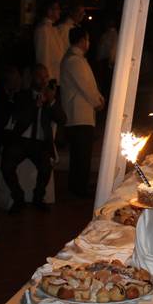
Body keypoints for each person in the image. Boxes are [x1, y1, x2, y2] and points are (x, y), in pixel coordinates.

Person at [0, 63, 66, 211]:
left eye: (46, 77)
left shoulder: (52, 97)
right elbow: (20, 120)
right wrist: (35, 106)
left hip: (40, 143)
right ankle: (18, 197)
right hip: (22, 140)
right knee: (6, 165)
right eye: (40, 77)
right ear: (32, 78)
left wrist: (52, 101)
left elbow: (63, 120)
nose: (43, 80)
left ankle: (38, 198)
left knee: (45, 167)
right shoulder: (22, 96)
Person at [60, 27, 105, 198]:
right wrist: (97, 101)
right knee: (81, 155)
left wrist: (97, 97)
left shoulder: (76, 59)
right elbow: (85, 86)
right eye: (87, 39)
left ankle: (79, 185)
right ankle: (78, 188)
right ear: (81, 41)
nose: (89, 43)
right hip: (78, 114)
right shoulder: (74, 61)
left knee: (81, 154)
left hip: (81, 113)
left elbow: (88, 84)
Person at [34, 0, 64, 81]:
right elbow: (43, 56)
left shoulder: (53, 28)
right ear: (49, 11)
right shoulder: (43, 29)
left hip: (57, 76)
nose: (60, 11)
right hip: (51, 78)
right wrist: (46, 80)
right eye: (57, 8)